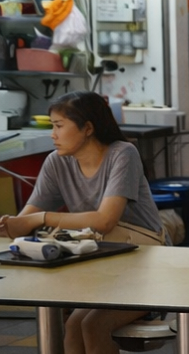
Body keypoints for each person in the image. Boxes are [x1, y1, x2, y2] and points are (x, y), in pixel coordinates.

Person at [0, 91, 167, 354]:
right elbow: (24, 220)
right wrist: (10, 224)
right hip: (101, 265)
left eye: (59, 126)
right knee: (75, 325)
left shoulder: (123, 154)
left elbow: (104, 220)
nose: (52, 135)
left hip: (147, 265)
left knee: (92, 326)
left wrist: (41, 218)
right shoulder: (57, 162)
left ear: (88, 128)